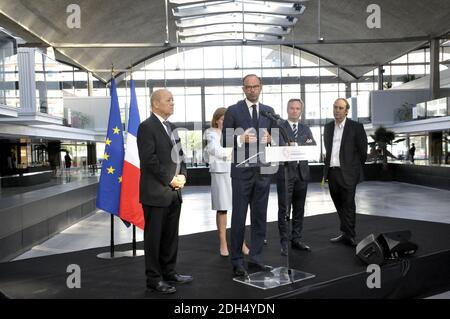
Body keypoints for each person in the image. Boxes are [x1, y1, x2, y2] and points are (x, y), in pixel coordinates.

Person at [137, 88, 193, 294]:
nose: (172, 103)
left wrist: (183, 176)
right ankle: (154, 279)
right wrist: (170, 179)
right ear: (155, 104)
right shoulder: (146, 127)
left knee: (171, 236)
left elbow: (181, 158)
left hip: (174, 193)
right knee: (154, 239)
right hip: (156, 193)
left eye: (173, 100)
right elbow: (149, 160)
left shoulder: (172, 127)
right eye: (169, 100)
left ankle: (169, 272)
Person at [222, 74, 276, 277]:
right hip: (242, 172)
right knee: (239, 217)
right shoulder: (233, 110)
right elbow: (224, 141)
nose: (252, 90)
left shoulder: (269, 112)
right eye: (248, 87)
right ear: (243, 89)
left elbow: (277, 138)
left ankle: (256, 258)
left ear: (261, 87)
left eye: (255, 86)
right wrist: (239, 138)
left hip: (263, 172)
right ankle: (236, 260)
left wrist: (272, 138)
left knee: (260, 216)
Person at [205, 107, 250, 257]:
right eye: (223, 119)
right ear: (217, 120)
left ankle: (240, 243)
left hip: (236, 172)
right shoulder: (211, 133)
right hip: (220, 174)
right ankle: (223, 243)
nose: (225, 122)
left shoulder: (233, 134)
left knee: (239, 209)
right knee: (223, 209)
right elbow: (217, 151)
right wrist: (235, 147)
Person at [323, 98, 368, 247]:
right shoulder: (328, 127)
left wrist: (354, 169)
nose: (337, 110)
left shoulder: (356, 127)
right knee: (339, 204)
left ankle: (350, 235)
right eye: (335, 107)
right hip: (332, 172)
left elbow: (363, 152)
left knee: (348, 205)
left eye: (340, 108)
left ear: (347, 110)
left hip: (348, 173)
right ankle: (344, 233)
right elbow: (328, 151)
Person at [276, 98, 316, 256]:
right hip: (285, 174)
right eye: (292, 108)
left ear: (301, 111)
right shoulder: (279, 127)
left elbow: (312, 145)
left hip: (302, 174)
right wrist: (298, 146)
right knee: (284, 209)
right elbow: (280, 147)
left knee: (299, 209)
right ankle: (284, 243)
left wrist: (294, 146)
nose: (294, 111)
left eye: (297, 108)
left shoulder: (306, 128)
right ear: (287, 110)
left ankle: (296, 239)